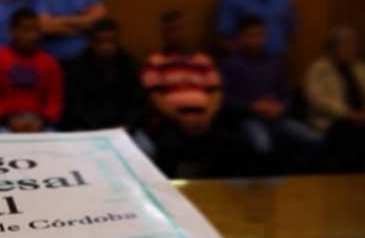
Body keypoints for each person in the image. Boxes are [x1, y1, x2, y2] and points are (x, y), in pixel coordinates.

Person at [138, 11, 235, 177]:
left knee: (228, 142)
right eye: (172, 30)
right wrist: (179, 118)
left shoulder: (203, 61)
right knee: (168, 145)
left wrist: (207, 116)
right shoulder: (155, 62)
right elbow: (155, 97)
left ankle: (210, 187)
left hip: (204, 119)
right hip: (170, 120)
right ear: (164, 34)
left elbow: (216, 92)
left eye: (180, 29)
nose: (176, 34)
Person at [221, 15, 322, 171]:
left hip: (277, 118)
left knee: (313, 139)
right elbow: (226, 99)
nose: (256, 39)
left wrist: (281, 107)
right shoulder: (230, 64)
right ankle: (265, 185)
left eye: (260, 35)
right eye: (251, 35)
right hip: (247, 119)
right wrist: (252, 106)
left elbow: (286, 93)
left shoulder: (274, 62)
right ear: (240, 37)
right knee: (263, 144)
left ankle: (295, 180)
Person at [304, 26, 365, 170]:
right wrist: (348, 114)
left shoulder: (362, 68)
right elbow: (317, 100)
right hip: (335, 120)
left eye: (353, 45)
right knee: (348, 133)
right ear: (333, 48)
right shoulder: (319, 69)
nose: (351, 49)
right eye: (346, 45)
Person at [0, 8, 63, 132]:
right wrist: (8, 120)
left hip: (40, 121)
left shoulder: (50, 63)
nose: (32, 36)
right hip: (4, 122)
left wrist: (43, 121)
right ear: (12, 32)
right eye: (26, 30)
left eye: (36, 30)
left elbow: (55, 101)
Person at [62, 18, 144, 131]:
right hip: (87, 127)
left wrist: (127, 126)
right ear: (91, 43)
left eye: (111, 41)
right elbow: (75, 107)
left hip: (124, 128)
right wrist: (97, 128)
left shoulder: (129, 64)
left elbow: (136, 104)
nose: (106, 47)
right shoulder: (77, 67)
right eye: (101, 41)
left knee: (144, 143)